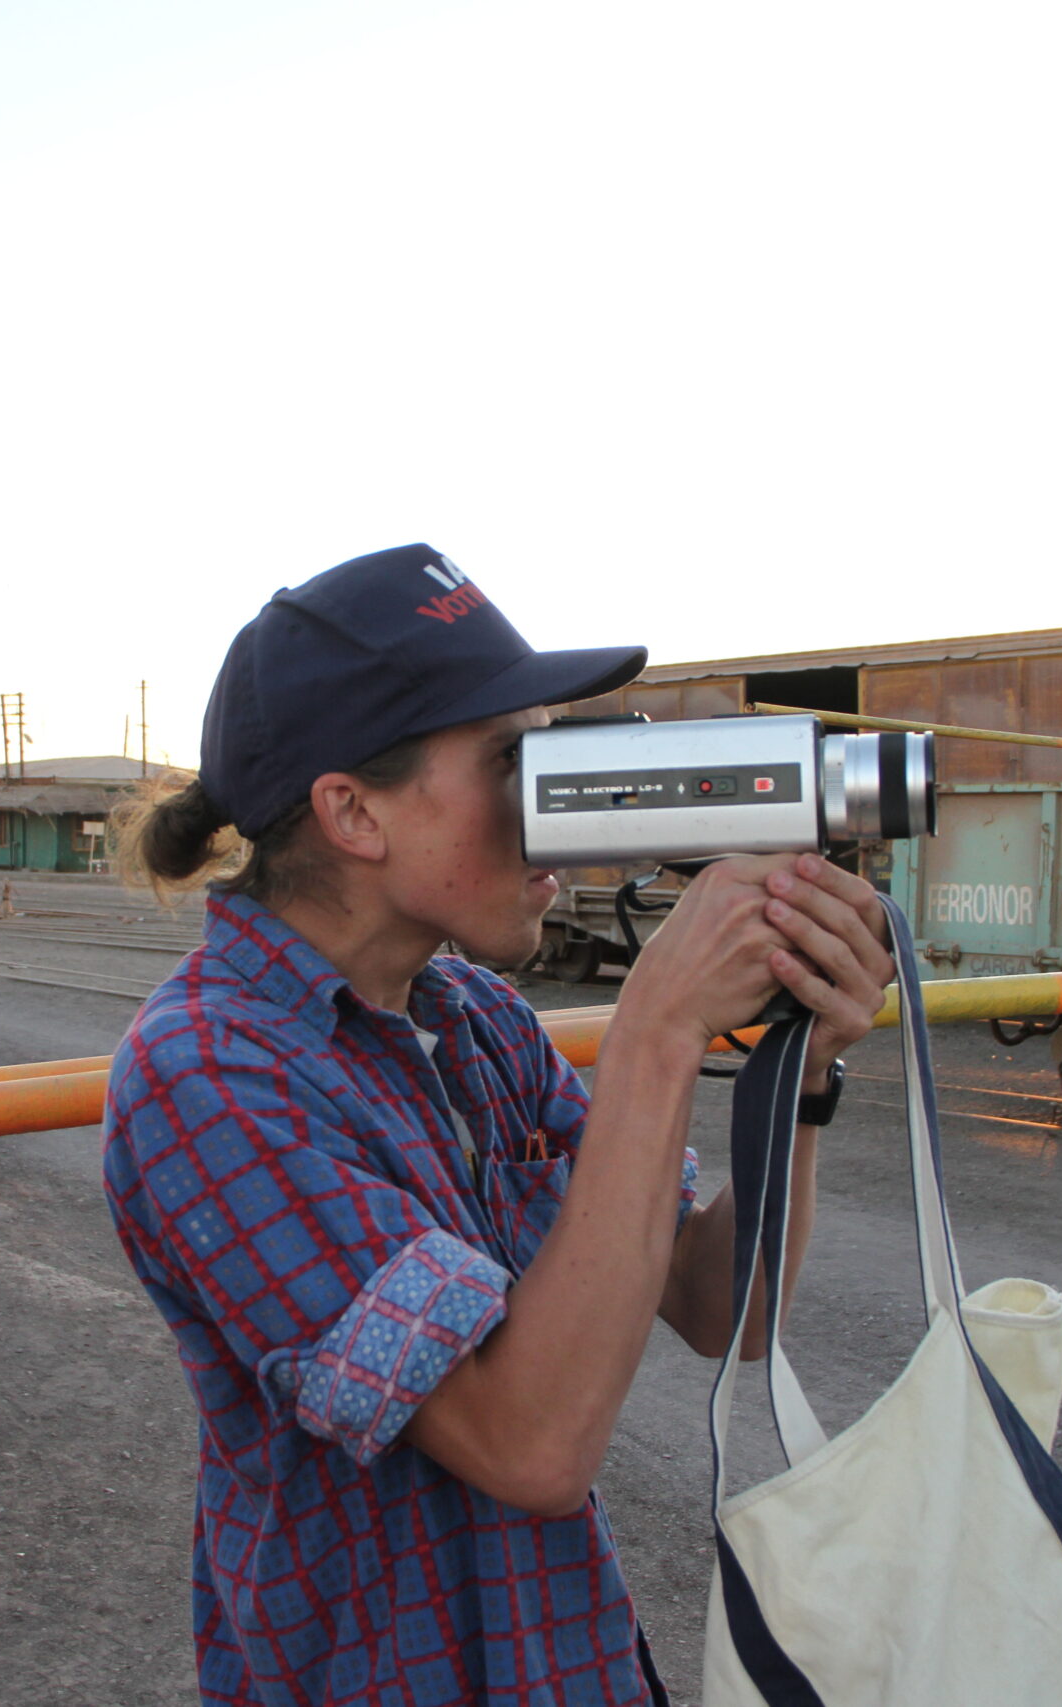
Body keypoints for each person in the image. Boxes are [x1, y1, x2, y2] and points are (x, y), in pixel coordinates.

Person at [102, 543, 895, 1706]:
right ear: (353, 812)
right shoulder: (208, 1079)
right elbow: (530, 1446)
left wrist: (803, 1073)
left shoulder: (473, 1017)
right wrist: (656, 1035)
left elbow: (723, 1305)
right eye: (517, 764)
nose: (568, 813)